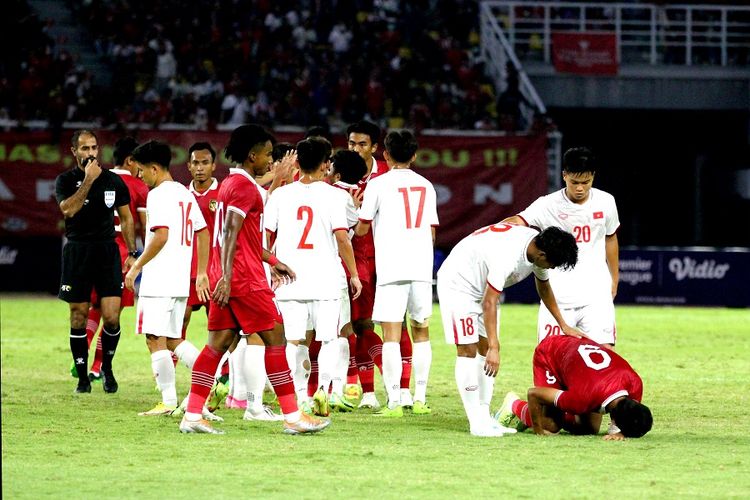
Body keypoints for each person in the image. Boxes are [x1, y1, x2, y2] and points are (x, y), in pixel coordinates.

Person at [178, 124, 330, 434]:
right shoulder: (244, 188)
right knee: (276, 339)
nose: (270, 161)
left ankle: (192, 415)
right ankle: (293, 416)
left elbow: (242, 236)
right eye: (268, 155)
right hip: (244, 279)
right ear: (252, 155)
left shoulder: (229, 185)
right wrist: (230, 276)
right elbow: (231, 231)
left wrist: (273, 260)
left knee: (215, 346)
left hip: (230, 275)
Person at [436, 223, 580, 437]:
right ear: (541, 254)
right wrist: (495, 346)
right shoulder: (508, 255)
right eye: (551, 263)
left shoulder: (536, 244)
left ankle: (484, 416)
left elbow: (544, 286)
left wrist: (563, 324)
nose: (550, 268)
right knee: (468, 349)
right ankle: (475, 422)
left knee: (485, 349)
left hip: (482, 290)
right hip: (459, 285)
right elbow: (489, 302)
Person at [265, 136, 362, 416]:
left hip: (290, 279)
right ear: (325, 164)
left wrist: (272, 262)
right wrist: (353, 274)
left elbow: (265, 236)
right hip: (326, 278)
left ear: (296, 163)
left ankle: (299, 397)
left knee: (295, 341)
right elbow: (342, 238)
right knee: (330, 337)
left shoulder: (280, 195)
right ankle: (324, 390)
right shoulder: (336, 195)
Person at [122, 140, 210, 416]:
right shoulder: (185, 194)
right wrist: (202, 272)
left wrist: (136, 268)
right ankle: (213, 377)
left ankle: (168, 401)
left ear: (155, 168)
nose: (139, 177)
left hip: (159, 280)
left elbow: (161, 236)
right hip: (180, 278)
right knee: (172, 338)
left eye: (141, 171)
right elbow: (203, 231)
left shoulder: (158, 195)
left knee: (154, 338)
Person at [355, 129, 438, 417]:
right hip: (421, 267)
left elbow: (363, 227)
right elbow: (431, 230)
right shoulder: (427, 185)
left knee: (391, 334)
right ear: (414, 155)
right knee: (421, 330)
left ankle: (393, 401)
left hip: (391, 267)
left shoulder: (378, 185)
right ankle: (420, 397)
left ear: (385, 155)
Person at [502, 147, 620, 349]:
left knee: (604, 357)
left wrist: (615, 278)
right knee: (550, 362)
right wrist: (494, 231)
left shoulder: (606, 202)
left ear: (593, 176)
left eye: (586, 182)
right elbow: (519, 220)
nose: (580, 188)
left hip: (596, 295)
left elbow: (611, 238)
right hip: (557, 297)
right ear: (564, 175)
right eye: (575, 182)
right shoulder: (547, 205)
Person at [55, 129, 137, 393]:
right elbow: (68, 210)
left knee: (112, 317)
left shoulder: (113, 181)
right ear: (74, 151)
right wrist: (88, 181)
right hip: (78, 252)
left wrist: (133, 254)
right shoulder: (65, 180)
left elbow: (126, 219)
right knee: (78, 316)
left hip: (107, 252)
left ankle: (107, 367)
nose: (90, 153)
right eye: (84, 148)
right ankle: (82, 378)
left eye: (93, 148)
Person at [347, 119, 413, 410]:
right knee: (360, 325)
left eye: (362, 144)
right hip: (355, 258)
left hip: (387, 259)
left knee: (397, 324)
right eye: (351, 143)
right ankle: (369, 393)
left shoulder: (388, 176)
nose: (355, 149)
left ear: (375, 148)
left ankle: (402, 389)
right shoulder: (339, 174)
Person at [76, 136, 148, 382]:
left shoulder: (99, 178)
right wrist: (140, 256)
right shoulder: (138, 186)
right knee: (112, 314)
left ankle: (83, 357)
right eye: (140, 164)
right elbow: (145, 228)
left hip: (92, 251)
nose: (142, 170)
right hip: (118, 254)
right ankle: (97, 365)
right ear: (130, 161)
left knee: (95, 308)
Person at [495, 335, 653, 441]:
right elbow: (534, 394)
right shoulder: (582, 398)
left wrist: (620, 432)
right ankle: (514, 405)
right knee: (551, 426)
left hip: (579, 366)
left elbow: (621, 418)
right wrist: (538, 429)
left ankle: (539, 414)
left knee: (588, 429)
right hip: (551, 355)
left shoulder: (635, 385)